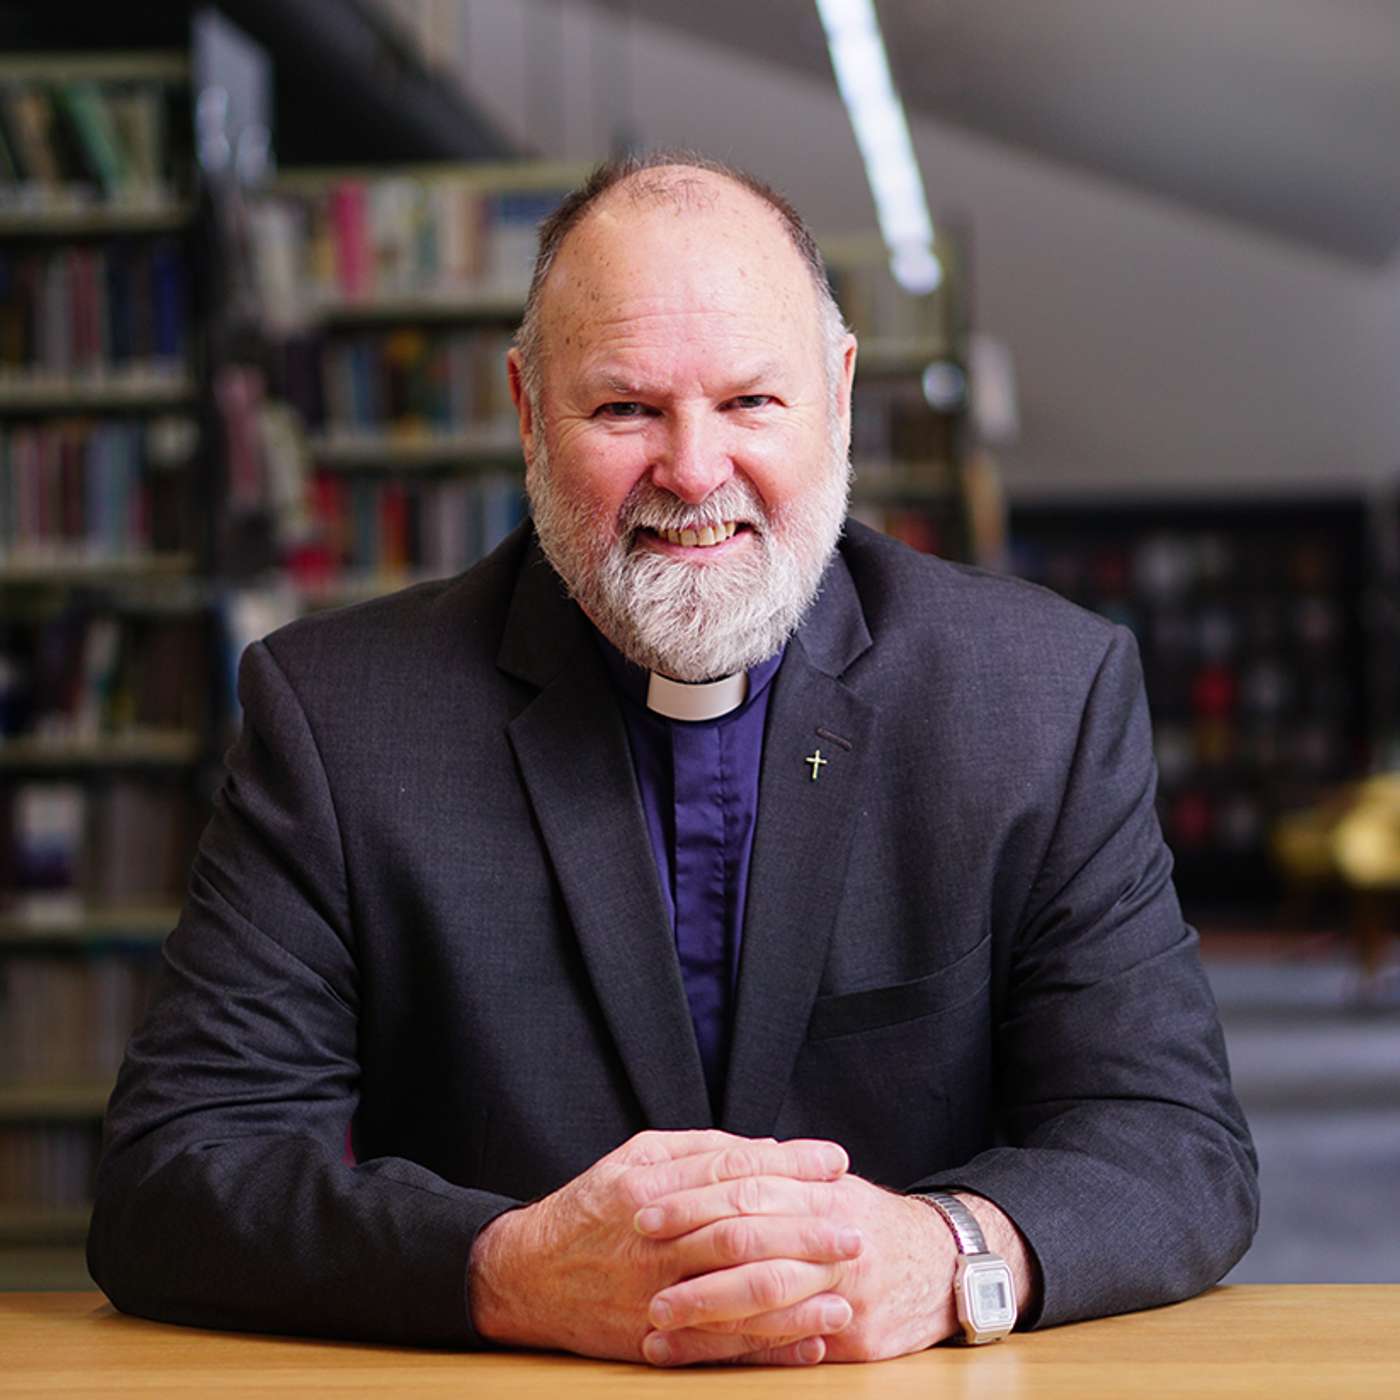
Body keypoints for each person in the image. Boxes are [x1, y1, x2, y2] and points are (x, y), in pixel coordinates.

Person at [87, 151, 1258, 1366]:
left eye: (750, 400)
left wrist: (949, 1248)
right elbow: (171, 1175)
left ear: (837, 395)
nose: (693, 472)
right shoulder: (340, 719)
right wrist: (506, 1269)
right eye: (625, 409)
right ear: (527, 409)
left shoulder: (1037, 697)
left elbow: (1171, 1141)